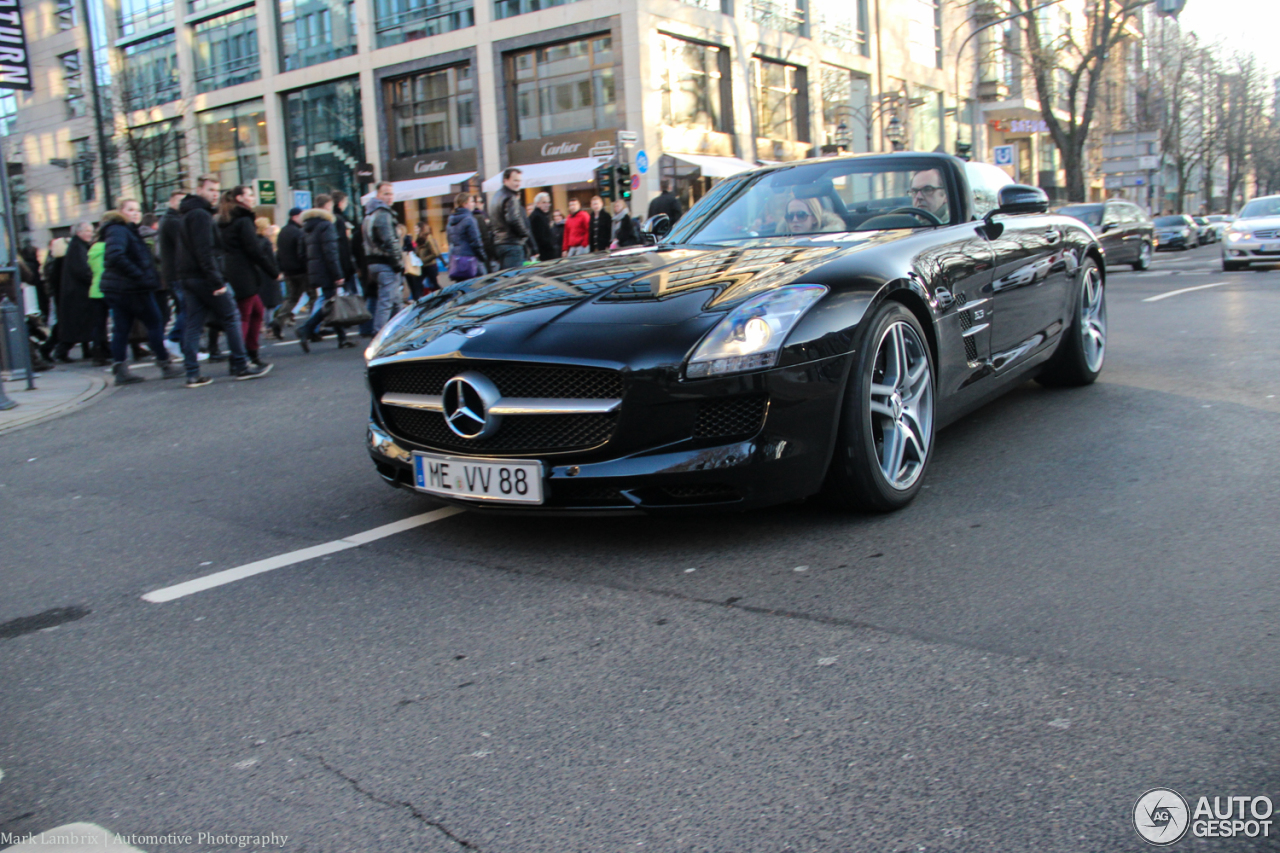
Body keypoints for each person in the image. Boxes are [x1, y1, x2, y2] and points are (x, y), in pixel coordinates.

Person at [173, 174, 271, 386]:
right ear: (199, 190)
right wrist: (216, 280)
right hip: (204, 276)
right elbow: (204, 250)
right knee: (231, 317)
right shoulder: (200, 214)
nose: (214, 195)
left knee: (194, 324)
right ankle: (240, 365)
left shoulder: (187, 213)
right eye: (210, 190)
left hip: (188, 276)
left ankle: (192, 373)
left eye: (217, 190)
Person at [98, 199, 183, 384]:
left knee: (122, 329)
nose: (135, 213)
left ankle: (121, 370)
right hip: (131, 288)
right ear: (120, 211)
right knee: (154, 323)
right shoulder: (119, 229)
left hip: (122, 287)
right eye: (130, 210)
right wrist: (139, 275)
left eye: (137, 210)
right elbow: (115, 255)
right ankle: (164, 364)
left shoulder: (123, 229)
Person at [217, 185, 278, 368]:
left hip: (233, 272)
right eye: (250, 195)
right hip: (243, 274)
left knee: (256, 312)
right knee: (244, 316)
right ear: (239, 198)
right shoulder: (243, 220)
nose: (253, 198)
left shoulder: (225, 219)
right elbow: (253, 249)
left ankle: (250, 353)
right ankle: (239, 358)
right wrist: (272, 271)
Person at [298, 194, 353, 351]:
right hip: (328, 270)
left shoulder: (307, 226)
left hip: (316, 271)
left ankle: (342, 338)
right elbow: (331, 252)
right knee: (330, 304)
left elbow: (302, 253)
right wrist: (338, 274)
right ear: (328, 206)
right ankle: (306, 328)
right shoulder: (326, 225)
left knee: (332, 303)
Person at [56, 222, 104, 364]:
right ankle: (61, 351)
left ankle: (84, 350)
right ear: (79, 233)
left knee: (81, 325)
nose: (90, 234)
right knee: (78, 325)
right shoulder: (78, 248)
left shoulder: (78, 246)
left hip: (77, 292)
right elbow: (82, 270)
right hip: (78, 293)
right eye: (87, 231)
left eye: (91, 231)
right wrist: (93, 278)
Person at [361, 181, 405, 334]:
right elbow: (390, 241)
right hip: (384, 261)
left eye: (391, 193)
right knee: (387, 301)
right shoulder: (383, 213)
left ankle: (400, 331)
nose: (389, 197)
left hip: (374, 262)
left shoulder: (370, 214)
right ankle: (379, 332)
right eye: (386, 193)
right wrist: (397, 262)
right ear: (378, 195)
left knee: (395, 300)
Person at [272, 206, 311, 339]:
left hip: (289, 271)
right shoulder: (298, 232)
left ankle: (278, 321)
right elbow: (302, 253)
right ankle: (312, 327)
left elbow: (279, 253)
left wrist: (282, 268)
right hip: (301, 270)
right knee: (313, 297)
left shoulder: (283, 232)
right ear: (295, 217)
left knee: (292, 298)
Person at [492, 168, 536, 269]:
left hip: (500, 244)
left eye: (519, 181)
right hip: (512, 244)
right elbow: (513, 220)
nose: (518, 184)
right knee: (514, 279)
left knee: (506, 279)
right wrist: (525, 234)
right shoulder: (510, 197)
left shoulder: (497, 196)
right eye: (515, 180)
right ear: (505, 180)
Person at [445, 193, 487, 282]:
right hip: (470, 261)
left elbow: (450, 241)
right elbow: (476, 242)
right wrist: (483, 257)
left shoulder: (451, 220)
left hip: (457, 262)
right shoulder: (470, 219)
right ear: (465, 203)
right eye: (471, 201)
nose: (474, 204)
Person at [254, 217, 282, 327]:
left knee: (261, 302)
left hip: (258, 274)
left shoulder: (253, 240)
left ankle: (261, 325)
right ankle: (269, 326)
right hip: (268, 274)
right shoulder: (266, 242)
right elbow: (271, 259)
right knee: (271, 303)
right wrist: (276, 272)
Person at [413, 219, 442, 294]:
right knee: (418, 283)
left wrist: (423, 260)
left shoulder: (428, 238)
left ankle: (444, 295)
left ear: (421, 228)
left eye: (417, 228)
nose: (415, 230)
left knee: (434, 284)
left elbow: (435, 253)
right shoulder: (419, 239)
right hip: (423, 266)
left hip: (430, 265)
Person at [529, 192, 560, 261]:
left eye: (548, 202)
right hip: (544, 253)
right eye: (544, 202)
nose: (547, 205)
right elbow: (541, 237)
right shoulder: (537, 216)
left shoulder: (541, 215)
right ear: (537, 203)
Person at [471, 197, 498, 272]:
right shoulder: (479, 217)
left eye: (482, 202)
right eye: (479, 202)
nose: (481, 204)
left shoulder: (479, 216)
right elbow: (485, 238)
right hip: (483, 253)